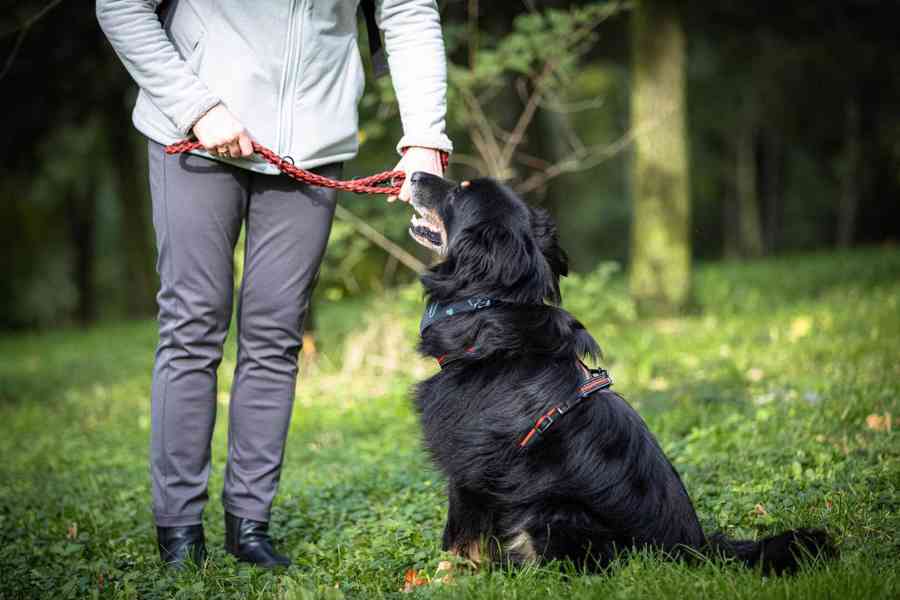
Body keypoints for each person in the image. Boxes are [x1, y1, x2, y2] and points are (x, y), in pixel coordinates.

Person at [96, 0, 452, 569]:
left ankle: (250, 524)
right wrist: (198, 107)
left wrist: (425, 137)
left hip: (314, 143)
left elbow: (407, 12)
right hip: (194, 131)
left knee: (275, 333)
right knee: (193, 325)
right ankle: (180, 529)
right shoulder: (194, 111)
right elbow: (120, 7)